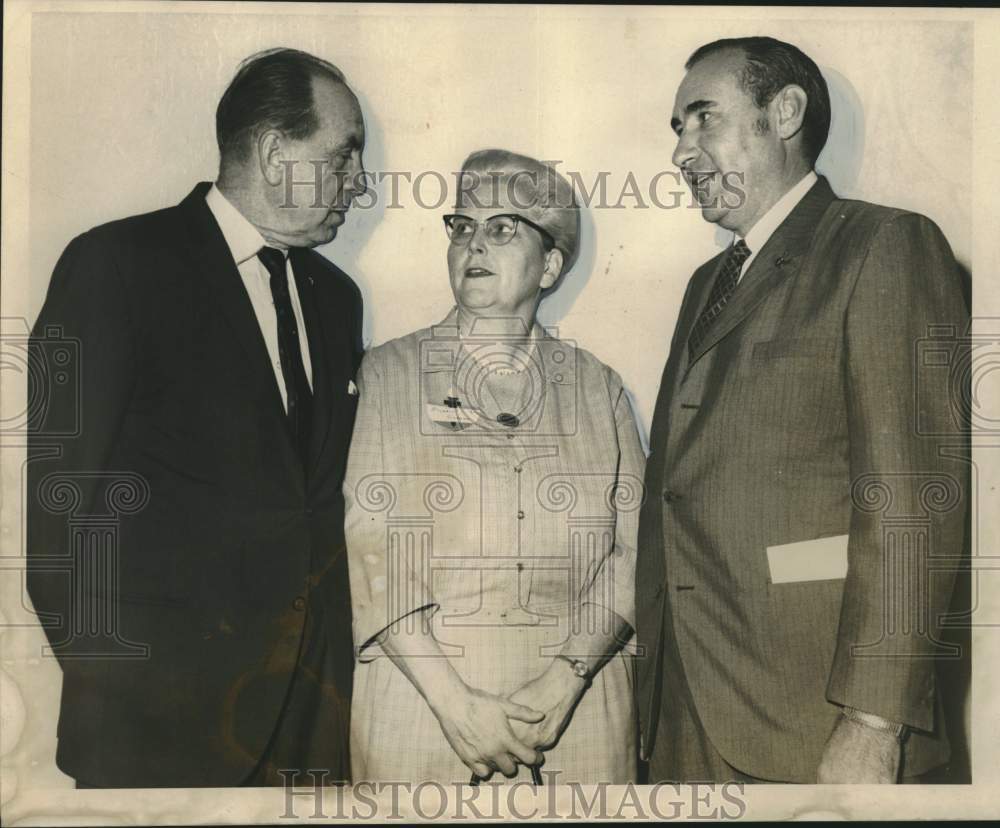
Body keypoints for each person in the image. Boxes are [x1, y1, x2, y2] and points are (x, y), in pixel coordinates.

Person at [26, 48, 367, 787]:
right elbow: (59, 525)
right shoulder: (114, 265)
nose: (361, 182)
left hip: (309, 738)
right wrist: (132, 705)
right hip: (158, 744)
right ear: (276, 152)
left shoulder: (337, 299)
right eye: (345, 155)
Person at [634, 37, 968, 784]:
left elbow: (914, 503)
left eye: (702, 119)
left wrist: (874, 720)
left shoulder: (884, 245)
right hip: (687, 709)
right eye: (676, 130)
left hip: (815, 719)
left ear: (784, 113)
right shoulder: (706, 281)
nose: (683, 152)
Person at [345, 149, 644, 784]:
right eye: (462, 225)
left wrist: (566, 679)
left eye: (502, 226)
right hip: (425, 710)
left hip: (576, 712)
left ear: (552, 264)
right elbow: (373, 548)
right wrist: (456, 706)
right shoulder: (390, 373)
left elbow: (634, 550)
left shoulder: (599, 388)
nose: (473, 242)